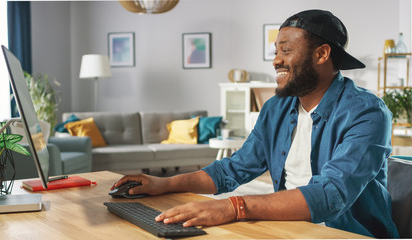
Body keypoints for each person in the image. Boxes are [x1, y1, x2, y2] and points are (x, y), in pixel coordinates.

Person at [111, 9, 399, 238]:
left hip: (347, 234)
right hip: (288, 228)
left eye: (285, 51)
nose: (275, 61)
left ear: (322, 54)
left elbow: (331, 195)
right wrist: (164, 183)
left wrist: (234, 207)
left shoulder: (367, 112)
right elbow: (233, 169)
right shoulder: (276, 108)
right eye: (275, 52)